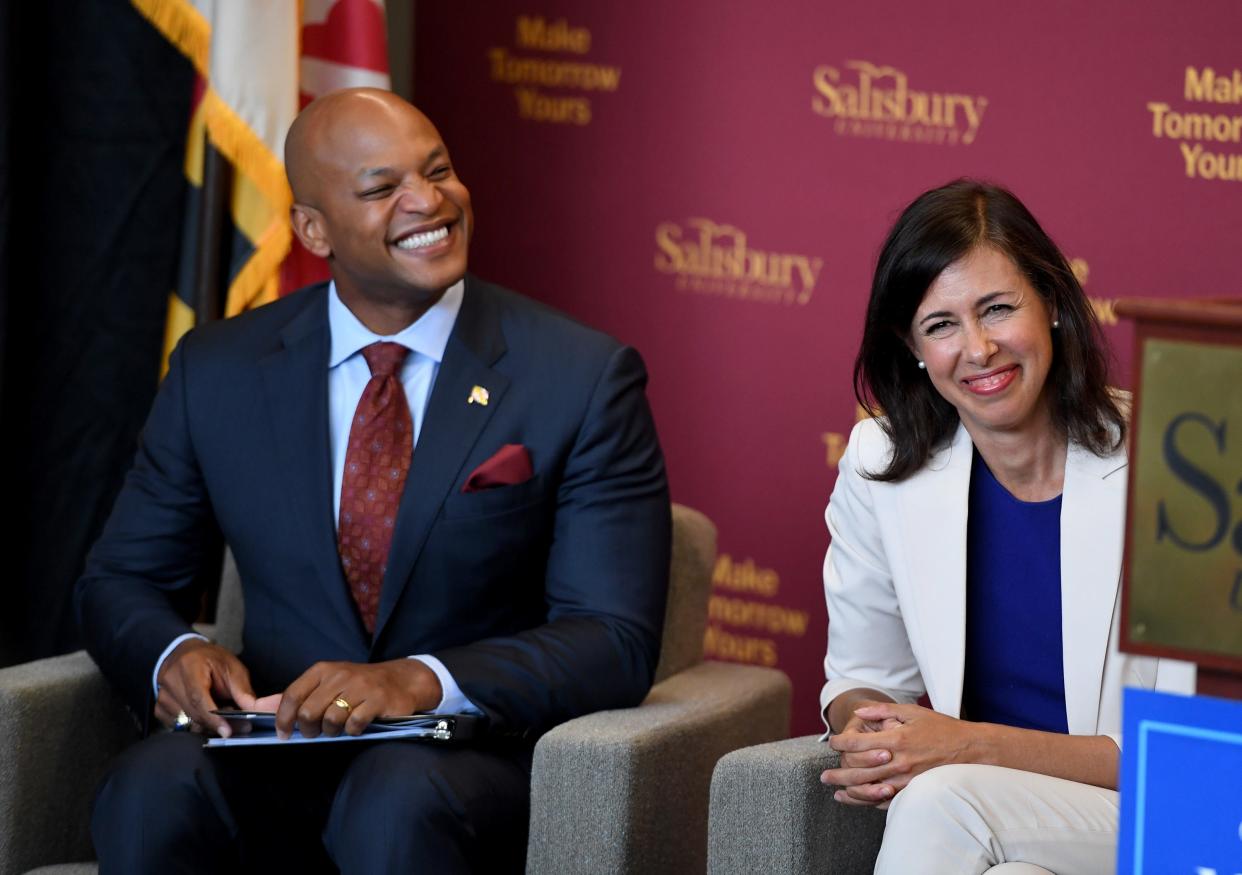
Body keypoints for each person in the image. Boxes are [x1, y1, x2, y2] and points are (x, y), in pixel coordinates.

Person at [76, 88, 670, 873]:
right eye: (382, 188)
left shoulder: (582, 377)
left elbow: (613, 637)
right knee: (149, 788)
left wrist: (420, 680)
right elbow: (119, 579)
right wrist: (175, 652)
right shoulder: (215, 371)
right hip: (277, 747)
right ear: (312, 229)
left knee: (394, 801)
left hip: (461, 761)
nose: (429, 201)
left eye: (439, 171)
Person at [818, 179, 1194, 874]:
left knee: (939, 802)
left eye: (997, 309)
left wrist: (963, 745)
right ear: (912, 348)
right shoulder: (880, 462)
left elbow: (1188, 752)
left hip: (1166, 808)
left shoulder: (1171, 462)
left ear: (1051, 303)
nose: (980, 348)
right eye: (942, 325)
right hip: (1016, 827)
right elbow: (860, 677)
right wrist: (874, 732)